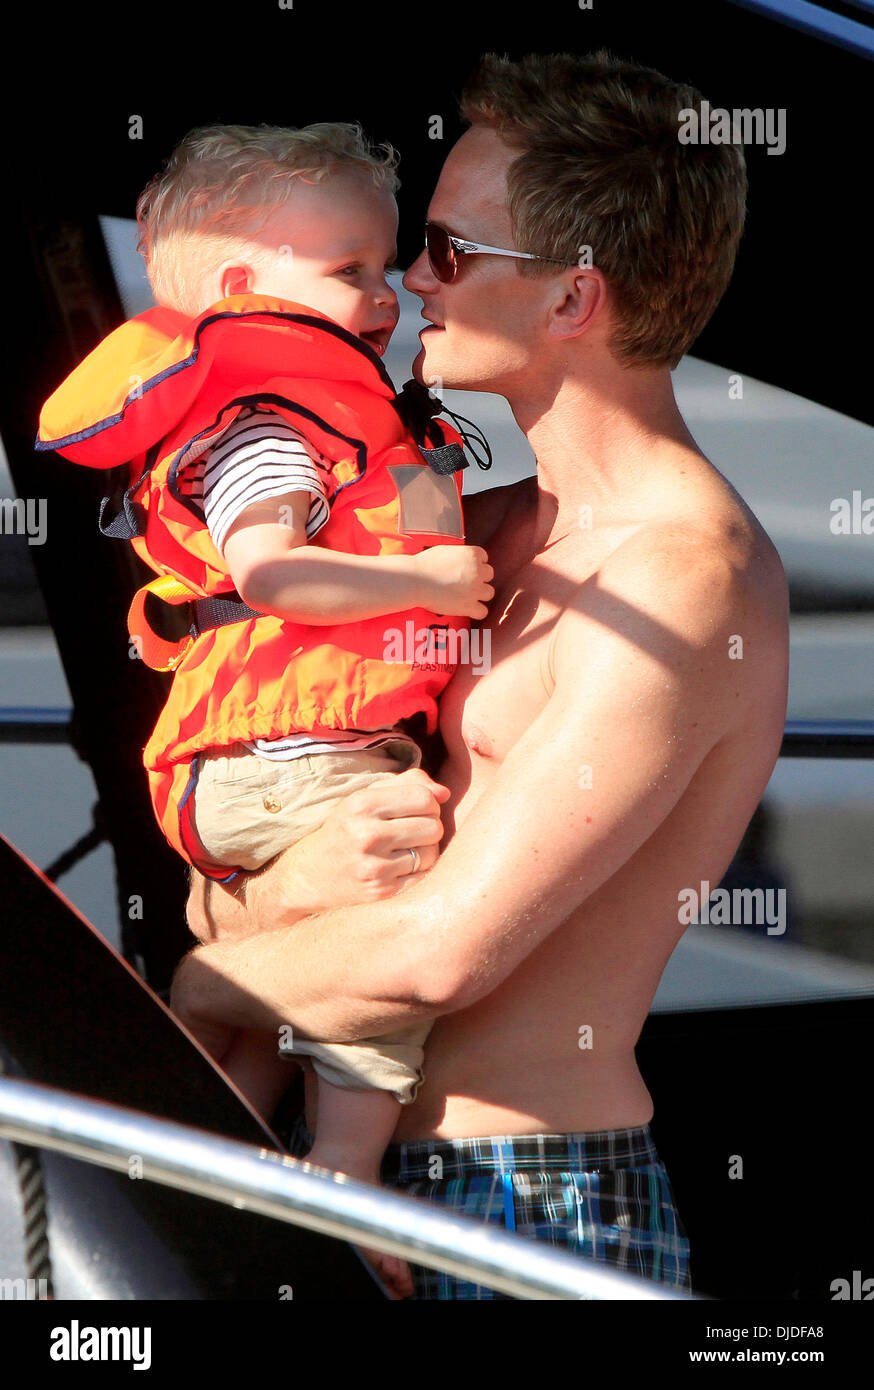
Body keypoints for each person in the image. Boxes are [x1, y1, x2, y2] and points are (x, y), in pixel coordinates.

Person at [171, 50, 790, 1300]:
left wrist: (195, 977)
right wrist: (261, 892)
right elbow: (262, 836)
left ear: (571, 299)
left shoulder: (683, 580)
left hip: (531, 1202)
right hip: (370, 1171)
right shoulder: (486, 525)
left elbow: (449, 955)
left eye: (450, 253)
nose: (407, 277)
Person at [36, 122, 496, 1253]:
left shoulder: (300, 406)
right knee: (378, 943)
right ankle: (345, 1187)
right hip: (298, 755)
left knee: (249, 1032)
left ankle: (186, 1201)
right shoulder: (268, 420)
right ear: (243, 286)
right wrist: (428, 571)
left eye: (388, 269)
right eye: (351, 272)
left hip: (236, 765)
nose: (387, 297)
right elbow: (266, 571)